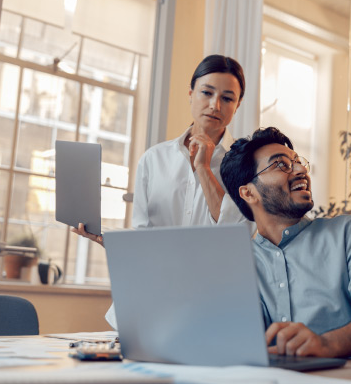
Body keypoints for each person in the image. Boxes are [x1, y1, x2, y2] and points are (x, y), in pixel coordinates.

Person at [72, 55, 251, 328]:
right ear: (191, 94)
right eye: (207, 92)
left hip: (211, 302)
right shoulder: (153, 160)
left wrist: (203, 168)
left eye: (227, 98)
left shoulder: (247, 164)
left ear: (237, 106)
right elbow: (145, 238)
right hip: (152, 298)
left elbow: (238, 234)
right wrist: (109, 239)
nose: (215, 105)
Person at [220, 127, 351, 360]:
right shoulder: (240, 264)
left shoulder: (350, 232)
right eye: (281, 165)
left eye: (298, 162)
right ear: (248, 193)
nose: (300, 170)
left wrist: (325, 345)